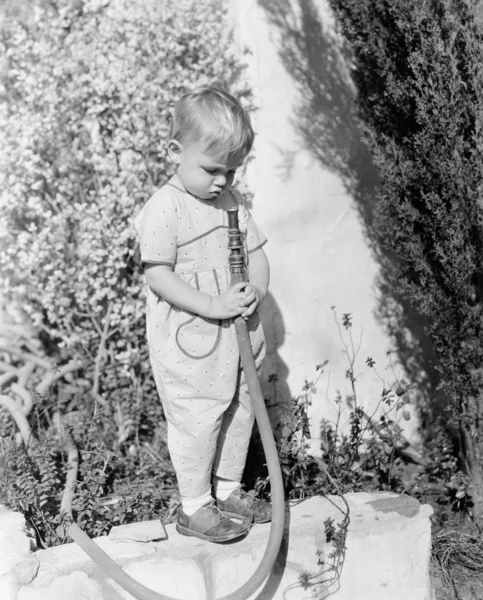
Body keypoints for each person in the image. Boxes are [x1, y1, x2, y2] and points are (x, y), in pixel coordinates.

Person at [135, 87, 271, 543]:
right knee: (197, 416)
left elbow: (257, 254)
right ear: (177, 151)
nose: (222, 181)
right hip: (192, 341)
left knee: (239, 408)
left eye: (232, 171)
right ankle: (194, 506)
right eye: (212, 169)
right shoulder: (165, 207)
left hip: (237, 337)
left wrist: (258, 289)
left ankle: (229, 489)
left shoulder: (233, 204)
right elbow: (159, 276)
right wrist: (212, 304)